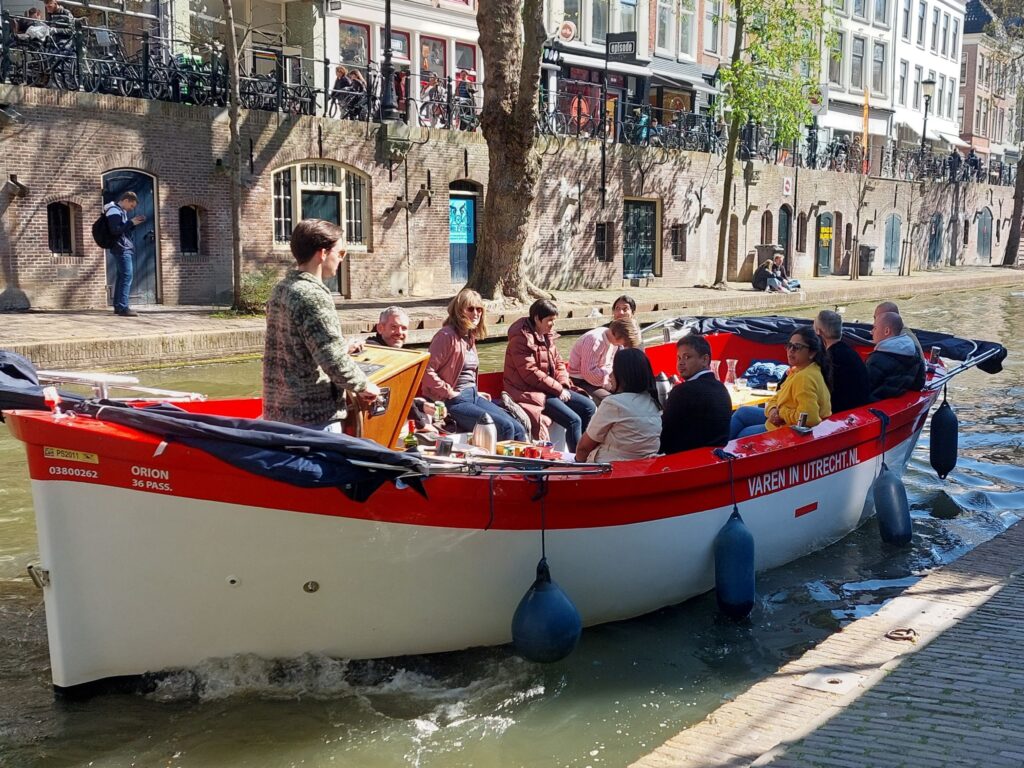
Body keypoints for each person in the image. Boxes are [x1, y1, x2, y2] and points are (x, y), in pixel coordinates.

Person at [262, 218, 380, 430]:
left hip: (280, 411)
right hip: (313, 416)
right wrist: (364, 385)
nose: (341, 259)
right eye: (341, 253)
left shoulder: (281, 289)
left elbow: (297, 347)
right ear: (323, 253)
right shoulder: (312, 294)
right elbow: (331, 358)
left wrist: (343, 346)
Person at [421, 289, 526, 441]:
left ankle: (524, 465)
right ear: (459, 311)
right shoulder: (446, 336)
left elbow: (466, 374)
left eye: (479, 309)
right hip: (454, 401)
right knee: (505, 427)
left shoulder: (469, 336)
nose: (476, 313)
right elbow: (426, 371)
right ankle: (500, 464)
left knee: (518, 427)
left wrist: (475, 391)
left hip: (472, 396)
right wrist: (448, 392)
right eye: (470, 309)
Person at [503, 299, 595, 451]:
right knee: (573, 420)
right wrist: (558, 389)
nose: (553, 324)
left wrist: (563, 384)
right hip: (528, 391)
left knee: (589, 407)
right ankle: (579, 461)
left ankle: (586, 451)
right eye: (550, 320)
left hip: (549, 388)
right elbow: (530, 374)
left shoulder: (547, 335)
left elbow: (558, 363)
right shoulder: (520, 340)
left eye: (554, 320)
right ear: (537, 319)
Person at [730, 327, 831, 438]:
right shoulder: (799, 370)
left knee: (743, 434)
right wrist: (773, 411)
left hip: (788, 432)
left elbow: (810, 418)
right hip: (780, 420)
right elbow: (777, 397)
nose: (790, 350)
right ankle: (717, 447)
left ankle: (718, 450)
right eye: (789, 345)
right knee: (743, 412)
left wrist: (781, 413)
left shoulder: (804, 377)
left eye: (797, 347)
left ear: (812, 353)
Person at [575, 349, 663, 463]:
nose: (610, 375)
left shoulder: (613, 403)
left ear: (622, 375)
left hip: (608, 472)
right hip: (644, 470)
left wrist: (578, 465)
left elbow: (583, 448)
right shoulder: (654, 403)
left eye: (613, 369)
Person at [660, 334, 732, 454]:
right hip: (717, 460)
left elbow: (664, 436)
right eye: (679, 358)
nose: (681, 363)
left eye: (687, 357)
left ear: (704, 360)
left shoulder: (681, 392)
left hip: (684, 463)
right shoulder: (721, 387)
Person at [366, 306, 434, 430]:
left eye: (404, 328)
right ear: (380, 328)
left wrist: (420, 405)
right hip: (374, 421)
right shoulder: (376, 352)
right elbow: (399, 395)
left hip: (383, 410)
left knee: (425, 405)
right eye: (394, 327)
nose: (399, 332)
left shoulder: (387, 350)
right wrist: (422, 425)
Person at [567, 318, 641, 404]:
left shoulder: (612, 341)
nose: (623, 346)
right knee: (613, 402)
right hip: (579, 380)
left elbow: (609, 364)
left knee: (626, 394)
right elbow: (589, 373)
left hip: (600, 377)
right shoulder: (594, 340)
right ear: (617, 335)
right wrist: (609, 379)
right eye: (624, 343)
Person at [814, 310, 870, 413]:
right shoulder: (852, 354)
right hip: (859, 411)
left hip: (837, 414)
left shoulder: (826, 359)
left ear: (819, 332)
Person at [103, 191, 146, 317]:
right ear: (126, 200)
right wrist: (131, 222)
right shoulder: (114, 210)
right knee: (127, 276)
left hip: (121, 246)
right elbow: (115, 229)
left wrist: (133, 224)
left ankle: (118, 306)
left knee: (122, 277)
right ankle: (122, 307)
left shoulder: (120, 211)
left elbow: (122, 229)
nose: (131, 209)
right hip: (121, 247)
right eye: (131, 206)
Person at [867, 312, 926, 401]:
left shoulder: (878, 359)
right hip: (894, 403)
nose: (871, 332)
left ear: (886, 331)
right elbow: (918, 384)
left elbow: (862, 388)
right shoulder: (914, 351)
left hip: (872, 404)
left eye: (875, 328)